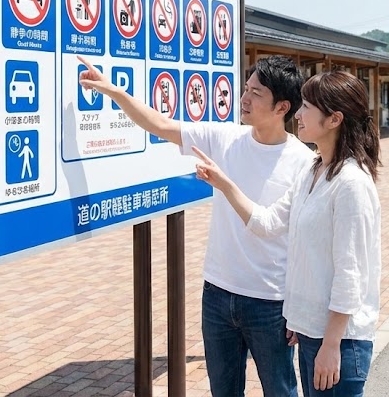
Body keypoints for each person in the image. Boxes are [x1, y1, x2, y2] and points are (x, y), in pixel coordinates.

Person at [78, 54, 312, 397]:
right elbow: (160, 125)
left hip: (271, 303)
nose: (244, 98)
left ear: (282, 107)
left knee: (280, 390)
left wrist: (299, 307)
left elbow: (304, 242)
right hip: (217, 294)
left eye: (256, 93)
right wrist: (114, 92)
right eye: (245, 88)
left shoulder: (304, 162)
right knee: (223, 391)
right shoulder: (225, 138)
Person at [192, 70, 382, 397]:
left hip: (339, 341)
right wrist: (223, 183)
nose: (298, 113)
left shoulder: (351, 184)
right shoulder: (314, 170)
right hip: (310, 333)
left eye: (307, 106)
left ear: (334, 119)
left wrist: (331, 345)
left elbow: (350, 274)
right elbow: (267, 223)